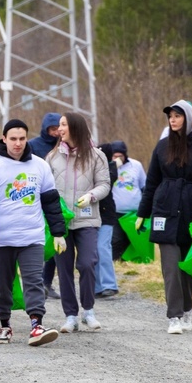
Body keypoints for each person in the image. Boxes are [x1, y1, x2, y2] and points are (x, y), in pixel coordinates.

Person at [0, 119, 67, 347]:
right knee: (2, 285)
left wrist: (58, 232)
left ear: (26, 138)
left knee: (33, 280)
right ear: (4, 139)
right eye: (13, 139)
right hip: (0, 239)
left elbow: (51, 202)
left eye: (22, 139)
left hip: (31, 236)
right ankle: (4, 324)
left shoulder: (39, 166)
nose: (17, 144)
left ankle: (36, 325)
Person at [136, 100, 192, 334]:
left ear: (188, 119)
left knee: (187, 267)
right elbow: (151, 182)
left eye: (177, 116)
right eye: (170, 116)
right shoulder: (162, 147)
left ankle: (187, 307)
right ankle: (174, 316)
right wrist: (143, 213)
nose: (172, 119)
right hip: (165, 210)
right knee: (170, 267)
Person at [46, 112, 111, 332]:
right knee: (63, 268)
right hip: (60, 223)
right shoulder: (52, 157)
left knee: (87, 262)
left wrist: (91, 196)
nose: (59, 129)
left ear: (75, 127)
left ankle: (89, 311)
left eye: (63, 125)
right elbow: (45, 188)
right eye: (59, 125)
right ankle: (70, 315)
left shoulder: (96, 156)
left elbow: (104, 184)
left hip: (87, 219)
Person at [29, 112, 63, 299]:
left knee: (53, 243)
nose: (55, 132)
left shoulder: (64, 146)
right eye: (52, 128)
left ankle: (47, 282)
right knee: (38, 243)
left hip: (57, 199)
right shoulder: (34, 145)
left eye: (58, 128)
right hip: (36, 198)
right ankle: (35, 282)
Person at [110, 141, 146, 262]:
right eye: (115, 156)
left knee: (133, 238)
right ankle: (115, 261)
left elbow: (144, 185)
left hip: (134, 212)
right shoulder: (107, 167)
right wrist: (113, 167)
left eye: (120, 156)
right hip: (116, 211)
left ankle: (132, 261)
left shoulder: (136, 165)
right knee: (116, 239)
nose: (118, 158)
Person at [94, 142, 121, 298]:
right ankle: (97, 287)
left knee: (102, 248)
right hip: (92, 214)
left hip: (106, 215)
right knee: (94, 251)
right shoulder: (92, 167)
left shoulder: (111, 169)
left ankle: (110, 284)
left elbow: (105, 183)